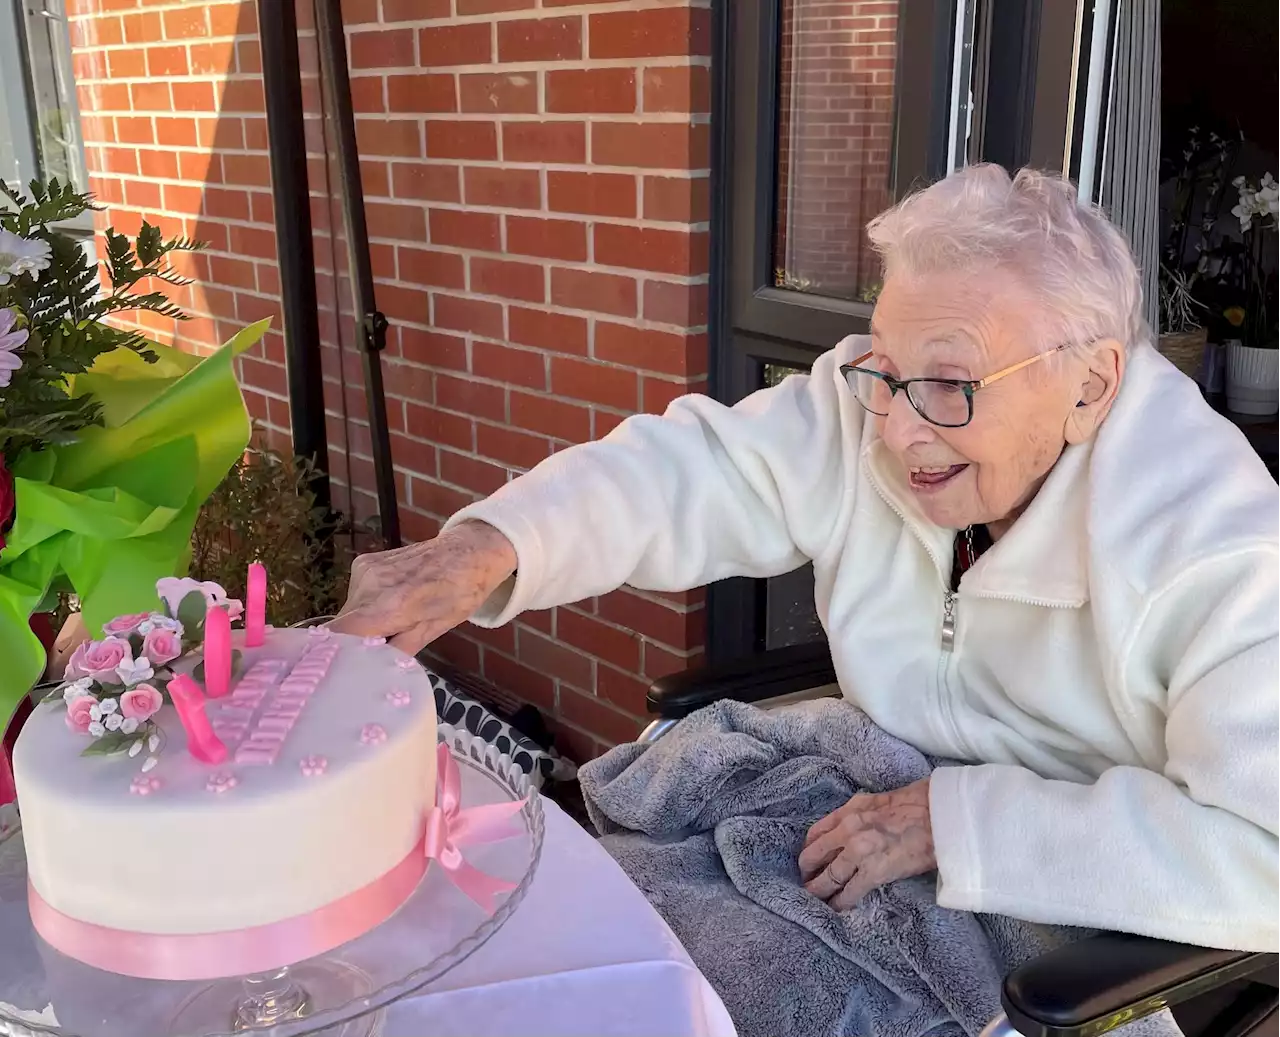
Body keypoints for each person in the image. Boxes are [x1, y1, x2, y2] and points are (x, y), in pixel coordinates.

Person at [333, 165, 1280, 951]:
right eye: (888, 372)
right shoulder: (868, 407)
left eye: (951, 385)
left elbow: (1265, 854)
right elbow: (690, 471)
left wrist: (958, 822)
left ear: (1092, 384)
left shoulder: (1217, 544)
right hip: (865, 813)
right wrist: (490, 546)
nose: (902, 429)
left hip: (1071, 903)